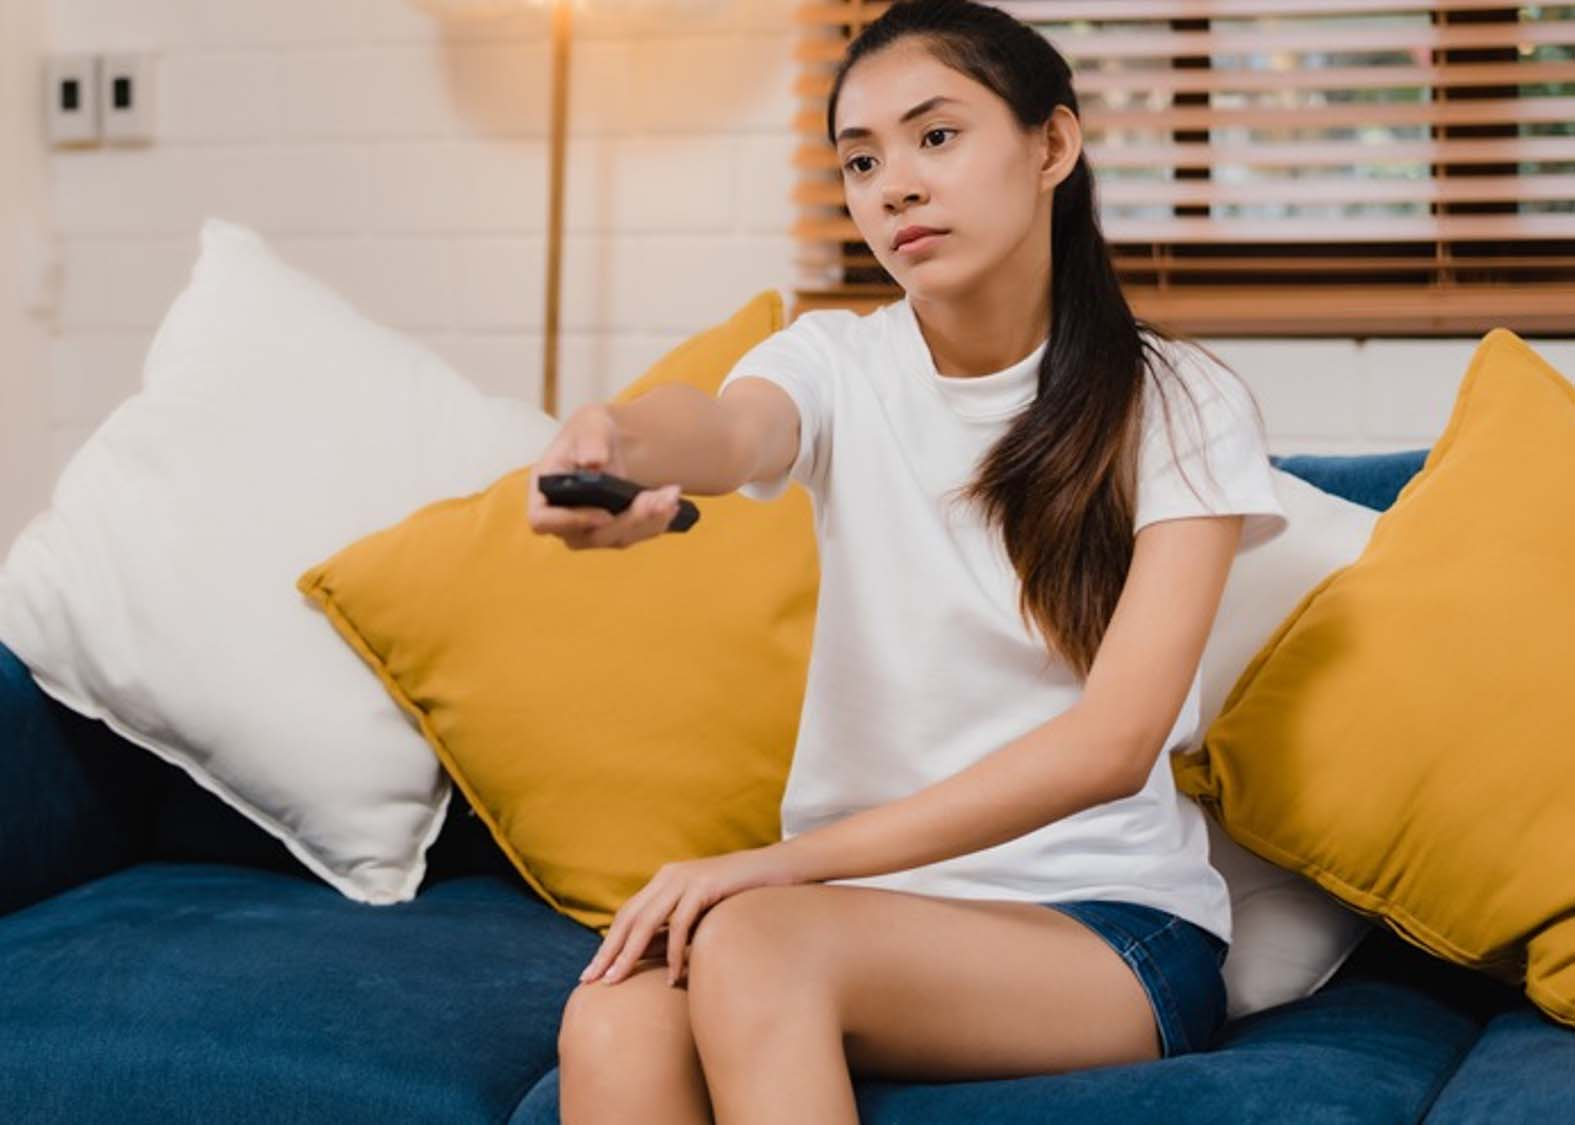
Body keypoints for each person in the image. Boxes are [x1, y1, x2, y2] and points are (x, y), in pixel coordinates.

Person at [527, 2, 1289, 1121]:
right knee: (611, 1015)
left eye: (937, 137)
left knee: (754, 943)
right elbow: (730, 432)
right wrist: (615, 437)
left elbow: (1111, 746)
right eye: (862, 158)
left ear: (1052, 147)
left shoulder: (1180, 404)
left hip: (1103, 928)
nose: (894, 185)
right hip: (850, 915)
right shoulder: (836, 362)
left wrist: (777, 865)